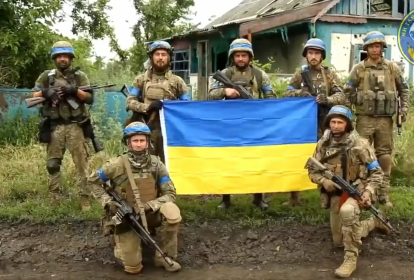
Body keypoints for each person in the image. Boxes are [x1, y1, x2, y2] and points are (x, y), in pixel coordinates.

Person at [306, 105, 390, 278]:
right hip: (336, 194)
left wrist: (367, 192)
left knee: (348, 212)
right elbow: (312, 170)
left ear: (347, 125)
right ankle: (373, 222)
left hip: (357, 189)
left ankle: (350, 258)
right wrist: (324, 181)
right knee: (339, 241)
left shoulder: (360, 144)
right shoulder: (324, 143)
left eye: (340, 122)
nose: (336, 126)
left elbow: (377, 172)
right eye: (333, 122)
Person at [87, 121, 182, 274]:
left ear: (147, 142)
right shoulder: (116, 164)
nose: (139, 144)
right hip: (127, 218)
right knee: (133, 268)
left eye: (142, 140)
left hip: (150, 213)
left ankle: (164, 256)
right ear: (128, 142)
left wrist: (149, 205)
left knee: (172, 211)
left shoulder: (156, 164)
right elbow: (92, 182)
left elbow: (170, 194)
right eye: (135, 141)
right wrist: (108, 202)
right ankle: (119, 243)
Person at [208, 38, 276, 211]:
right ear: (233, 57)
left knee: (257, 162)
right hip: (229, 125)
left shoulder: (260, 75)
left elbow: (271, 98)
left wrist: (261, 109)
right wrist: (225, 91)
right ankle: (226, 199)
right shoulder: (225, 73)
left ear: (250, 57)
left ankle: (258, 197)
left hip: (253, 125)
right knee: (228, 162)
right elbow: (210, 94)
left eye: (243, 55)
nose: (240, 59)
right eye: (237, 55)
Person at [344, 31, 410, 208]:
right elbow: (347, 90)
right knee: (361, 154)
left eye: (378, 46)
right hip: (365, 118)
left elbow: (404, 89)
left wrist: (403, 109)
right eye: (372, 46)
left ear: (382, 48)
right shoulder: (358, 69)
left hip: (385, 119)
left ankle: (383, 193)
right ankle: (363, 192)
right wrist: (358, 100)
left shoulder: (391, 68)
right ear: (366, 48)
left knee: (385, 155)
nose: (375, 49)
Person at [284, 38, 347, 207]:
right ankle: (294, 196)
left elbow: (341, 96)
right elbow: (287, 94)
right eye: (310, 53)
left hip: (325, 122)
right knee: (300, 154)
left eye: (317, 53)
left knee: (328, 157)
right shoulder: (300, 74)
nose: (313, 56)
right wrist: (301, 94)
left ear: (322, 56)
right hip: (304, 122)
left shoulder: (329, 74)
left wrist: (327, 99)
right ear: (306, 55)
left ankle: (326, 192)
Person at [31, 41, 93, 211]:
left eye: (66, 56)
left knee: (82, 164)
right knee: (52, 164)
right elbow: (33, 94)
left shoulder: (80, 76)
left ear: (71, 58)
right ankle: (55, 197)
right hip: (54, 126)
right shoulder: (47, 76)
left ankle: (84, 198)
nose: (63, 59)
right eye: (59, 56)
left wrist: (74, 91)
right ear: (55, 58)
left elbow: (89, 98)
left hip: (76, 126)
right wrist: (45, 92)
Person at [126, 40, 191, 163]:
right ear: (151, 57)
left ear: (169, 57)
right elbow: (130, 101)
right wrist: (147, 107)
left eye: (163, 54)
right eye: (157, 54)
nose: (160, 58)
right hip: (146, 129)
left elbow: (186, 107)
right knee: (145, 165)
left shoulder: (177, 81)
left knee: (169, 165)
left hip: (169, 131)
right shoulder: (141, 79)